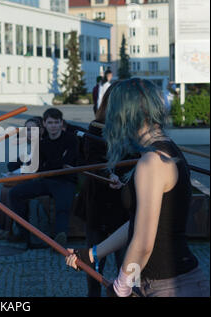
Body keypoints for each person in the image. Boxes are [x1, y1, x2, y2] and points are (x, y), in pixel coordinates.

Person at [66, 78, 210, 297]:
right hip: (172, 282)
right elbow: (138, 223)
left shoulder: (151, 161)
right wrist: (93, 253)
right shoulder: (166, 150)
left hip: (169, 287)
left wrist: (122, 285)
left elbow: (143, 242)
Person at [74, 80, 132, 297]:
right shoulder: (96, 128)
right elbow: (92, 161)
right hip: (98, 203)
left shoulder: (135, 131)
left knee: (126, 265)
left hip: (125, 205)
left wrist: (128, 177)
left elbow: (139, 161)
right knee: (94, 260)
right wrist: (109, 175)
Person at [8, 108, 78, 246]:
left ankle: (59, 239)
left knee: (62, 206)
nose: (53, 126)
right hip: (46, 180)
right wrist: (58, 162)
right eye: (50, 122)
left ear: (61, 123)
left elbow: (70, 160)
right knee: (14, 193)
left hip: (66, 181)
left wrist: (51, 164)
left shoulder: (71, 139)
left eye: (56, 122)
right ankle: (26, 232)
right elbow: (39, 167)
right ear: (44, 124)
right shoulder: (41, 143)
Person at [0, 116, 45, 241]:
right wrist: (15, 171)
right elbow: (21, 164)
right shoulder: (31, 145)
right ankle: (3, 229)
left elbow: (34, 167)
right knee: (5, 189)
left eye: (33, 129)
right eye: (28, 130)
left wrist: (16, 173)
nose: (30, 133)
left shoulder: (43, 144)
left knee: (8, 190)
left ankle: (8, 230)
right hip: (28, 176)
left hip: (38, 179)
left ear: (41, 130)